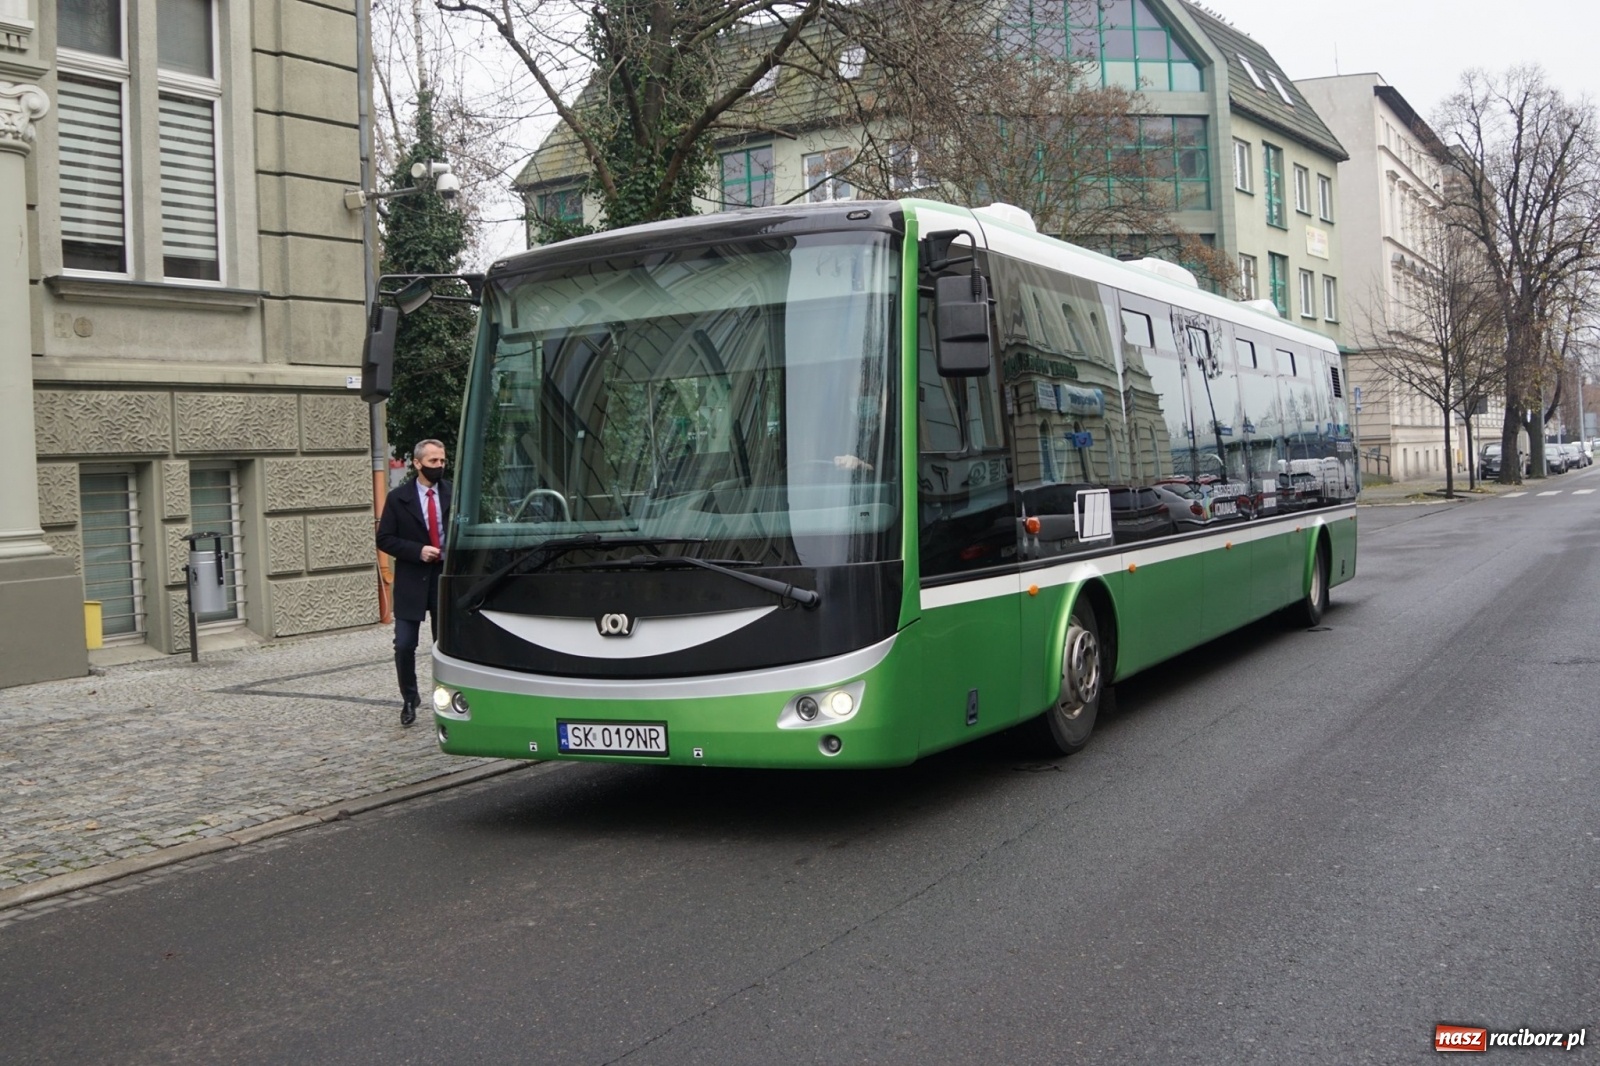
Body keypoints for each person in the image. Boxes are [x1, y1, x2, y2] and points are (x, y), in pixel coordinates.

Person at [376, 439, 451, 726]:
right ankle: (409, 698)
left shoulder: (453, 492)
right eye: (433, 462)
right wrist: (417, 551)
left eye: (442, 461)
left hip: (444, 578)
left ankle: (445, 698)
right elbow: (384, 538)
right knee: (404, 645)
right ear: (418, 464)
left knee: (443, 644)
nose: (439, 466)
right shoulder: (399, 498)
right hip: (411, 579)